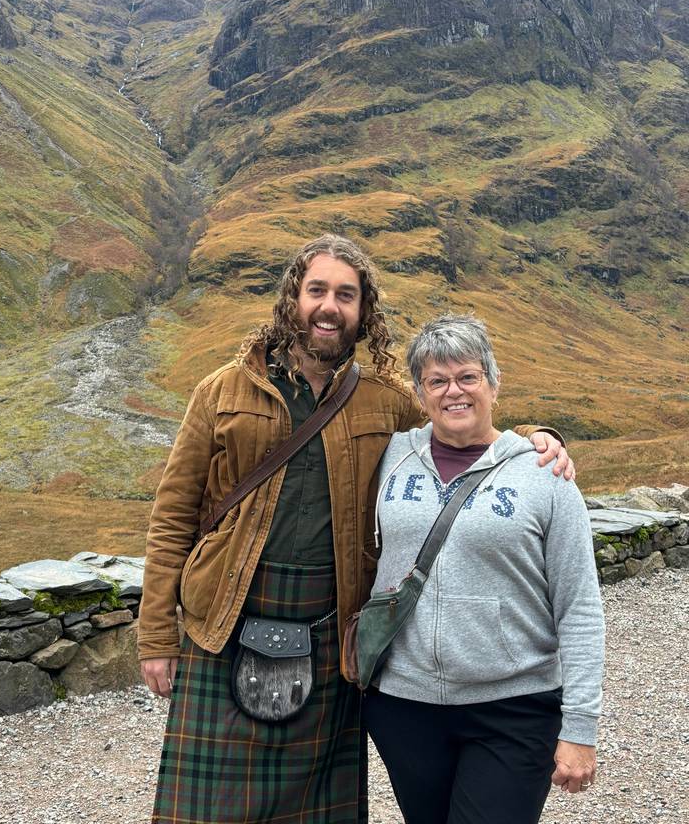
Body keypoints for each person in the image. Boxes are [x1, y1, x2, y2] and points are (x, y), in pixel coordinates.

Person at [138, 234, 574, 824]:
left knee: (317, 808)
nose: (330, 306)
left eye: (347, 295)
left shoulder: (384, 400)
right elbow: (172, 518)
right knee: (209, 811)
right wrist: (157, 637)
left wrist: (537, 438)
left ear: (363, 311)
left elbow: (463, 425)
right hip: (225, 616)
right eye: (318, 290)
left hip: (328, 626)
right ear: (293, 297)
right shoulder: (222, 390)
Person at [363, 312, 605, 824]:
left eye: (468, 377)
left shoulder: (545, 473)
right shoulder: (391, 457)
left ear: (493, 383)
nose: (455, 391)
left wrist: (579, 727)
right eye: (438, 380)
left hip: (515, 708)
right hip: (404, 707)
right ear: (420, 392)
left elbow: (580, 605)